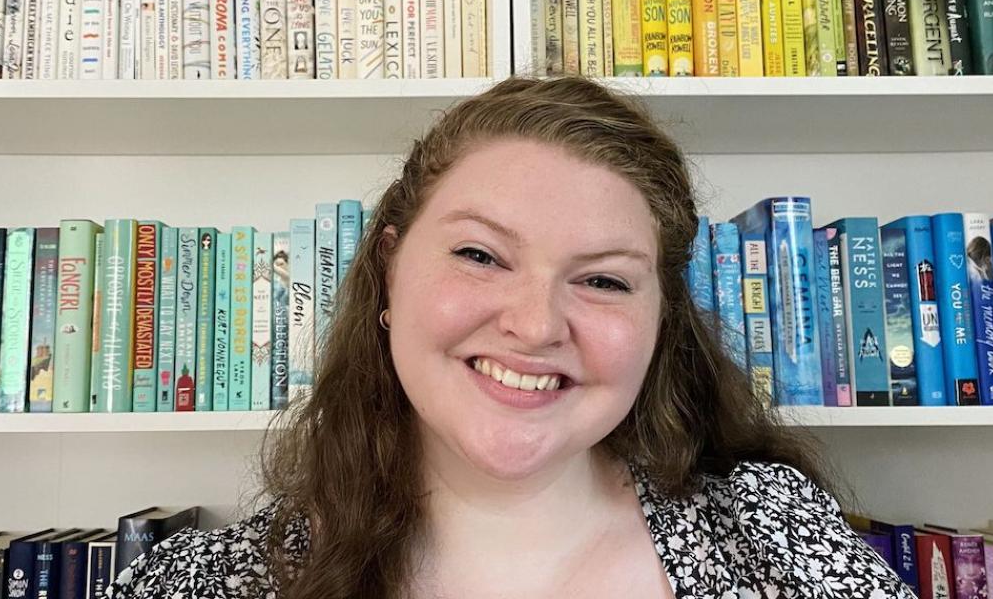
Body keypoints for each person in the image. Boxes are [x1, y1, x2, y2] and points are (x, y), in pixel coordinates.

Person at [105, 77, 914, 599]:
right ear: (389, 269)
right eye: (480, 256)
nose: (534, 325)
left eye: (602, 280)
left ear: (659, 318)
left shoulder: (776, 542)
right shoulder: (198, 585)